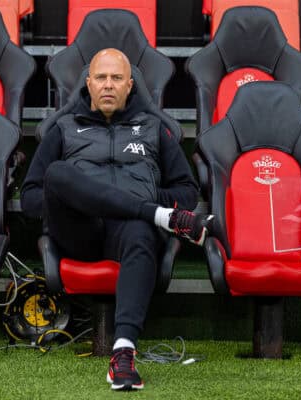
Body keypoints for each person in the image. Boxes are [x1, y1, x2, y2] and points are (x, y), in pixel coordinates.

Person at [20, 48, 214, 391]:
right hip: (80, 231)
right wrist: (75, 198)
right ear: (88, 83)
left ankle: (123, 352)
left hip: (129, 234)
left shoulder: (155, 129)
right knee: (58, 173)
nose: (108, 85)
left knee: (141, 228)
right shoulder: (63, 128)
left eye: (116, 78)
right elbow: (31, 196)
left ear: (130, 85)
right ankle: (157, 216)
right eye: (101, 78)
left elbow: (186, 191)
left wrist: (137, 202)